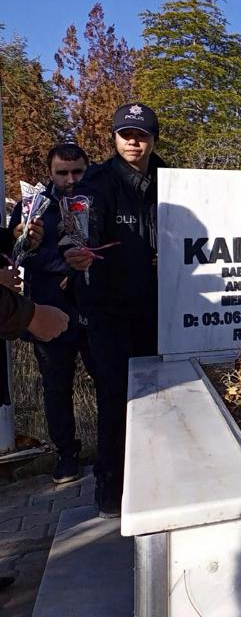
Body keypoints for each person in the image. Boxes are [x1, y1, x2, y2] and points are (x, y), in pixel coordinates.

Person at [64, 102, 164, 518]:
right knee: (114, 397)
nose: (133, 142)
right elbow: (76, 232)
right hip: (108, 310)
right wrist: (75, 251)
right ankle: (111, 489)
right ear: (114, 138)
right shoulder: (96, 183)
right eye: (126, 134)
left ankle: (157, 482)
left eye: (141, 135)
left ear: (153, 138)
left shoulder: (170, 179)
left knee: (162, 396)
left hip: (159, 309)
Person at [9, 143, 94, 483]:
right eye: (63, 173)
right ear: (50, 172)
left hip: (94, 306)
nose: (71, 179)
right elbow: (16, 255)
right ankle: (66, 454)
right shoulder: (32, 207)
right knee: (56, 386)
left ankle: (115, 446)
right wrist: (32, 246)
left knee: (108, 378)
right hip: (49, 310)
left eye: (78, 172)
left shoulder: (97, 201)